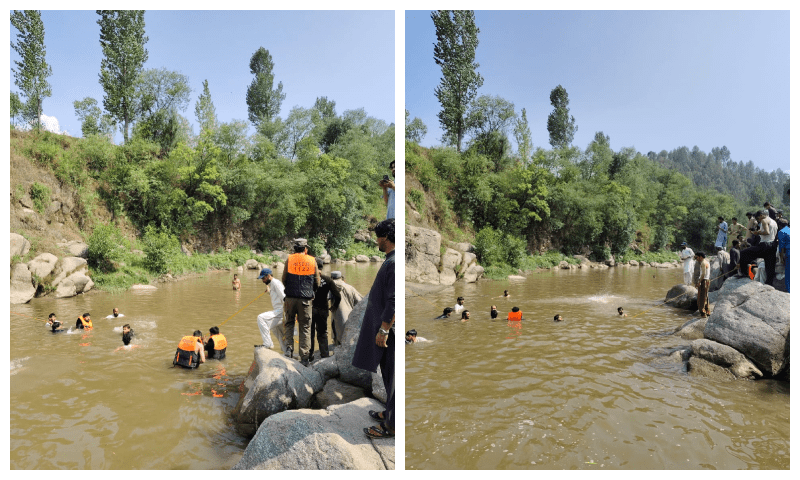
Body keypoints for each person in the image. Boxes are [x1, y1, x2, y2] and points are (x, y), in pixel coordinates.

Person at [352, 218, 395, 439]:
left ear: (385, 238)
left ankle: (392, 426)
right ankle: (390, 412)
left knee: (394, 377)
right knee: (387, 374)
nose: (376, 241)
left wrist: (384, 329)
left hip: (390, 332)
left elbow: (393, 300)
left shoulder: (394, 263)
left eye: (377, 237)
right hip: (386, 329)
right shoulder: (390, 260)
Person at [281, 238, 321, 366]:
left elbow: (284, 279)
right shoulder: (312, 260)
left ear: (294, 249)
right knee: (305, 328)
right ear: (305, 249)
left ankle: (288, 350)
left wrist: (289, 290)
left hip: (290, 298)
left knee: (289, 323)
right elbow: (317, 281)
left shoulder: (289, 259)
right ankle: (304, 358)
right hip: (306, 299)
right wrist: (312, 292)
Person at [309, 258, 341, 361]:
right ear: (322, 267)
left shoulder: (308, 279)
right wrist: (334, 307)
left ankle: (309, 356)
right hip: (323, 310)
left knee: (310, 333)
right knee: (322, 333)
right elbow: (338, 296)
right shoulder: (328, 279)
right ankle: (325, 355)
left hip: (310, 309)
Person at [737, 210, 778, 285]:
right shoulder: (774, 222)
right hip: (772, 246)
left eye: (758, 218)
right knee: (769, 267)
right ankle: (769, 284)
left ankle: (743, 273)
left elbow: (767, 232)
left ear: (761, 215)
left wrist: (757, 233)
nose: (759, 220)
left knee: (743, 253)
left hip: (765, 245)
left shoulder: (764, 220)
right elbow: (770, 232)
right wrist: (759, 231)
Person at [256, 267, 288, 354]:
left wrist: (289, 314)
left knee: (261, 318)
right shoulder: (273, 284)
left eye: (263, 278)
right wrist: (270, 292)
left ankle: (268, 343)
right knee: (275, 329)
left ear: (269, 276)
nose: (262, 280)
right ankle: (287, 351)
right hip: (279, 311)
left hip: (282, 311)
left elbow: (284, 297)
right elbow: (277, 295)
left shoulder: (276, 283)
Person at [330, 271, 363, 346]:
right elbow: (360, 302)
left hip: (337, 320)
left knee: (338, 341)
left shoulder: (330, 287)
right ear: (341, 277)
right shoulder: (350, 287)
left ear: (331, 278)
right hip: (350, 318)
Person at [694, 252, 711, 318]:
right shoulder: (706, 262)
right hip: (706, 280)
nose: (696, 259)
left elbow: (703, 274)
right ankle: (707, 311)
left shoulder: (703, 263)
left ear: (700, 257)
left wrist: (698, 282)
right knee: (705, 296)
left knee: (701, 298)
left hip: (704, 281)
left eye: (696, 257)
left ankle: (703, 313)